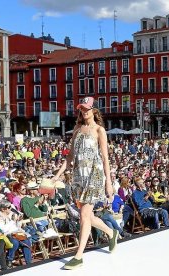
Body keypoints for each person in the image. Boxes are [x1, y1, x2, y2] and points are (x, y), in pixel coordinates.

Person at [52, 97, 118, 270]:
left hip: (94, 176)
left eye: (87, 109)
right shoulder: (77, 129)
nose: (85, 111)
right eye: (82, 108)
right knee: (87, 216)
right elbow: (70, 156)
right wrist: (57, 175)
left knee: (83, 216)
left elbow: (105, 157)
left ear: (94, 110)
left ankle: (79, 256)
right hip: (79, 177)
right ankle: (111, 232)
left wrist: (108, 183)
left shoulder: (99, 130)